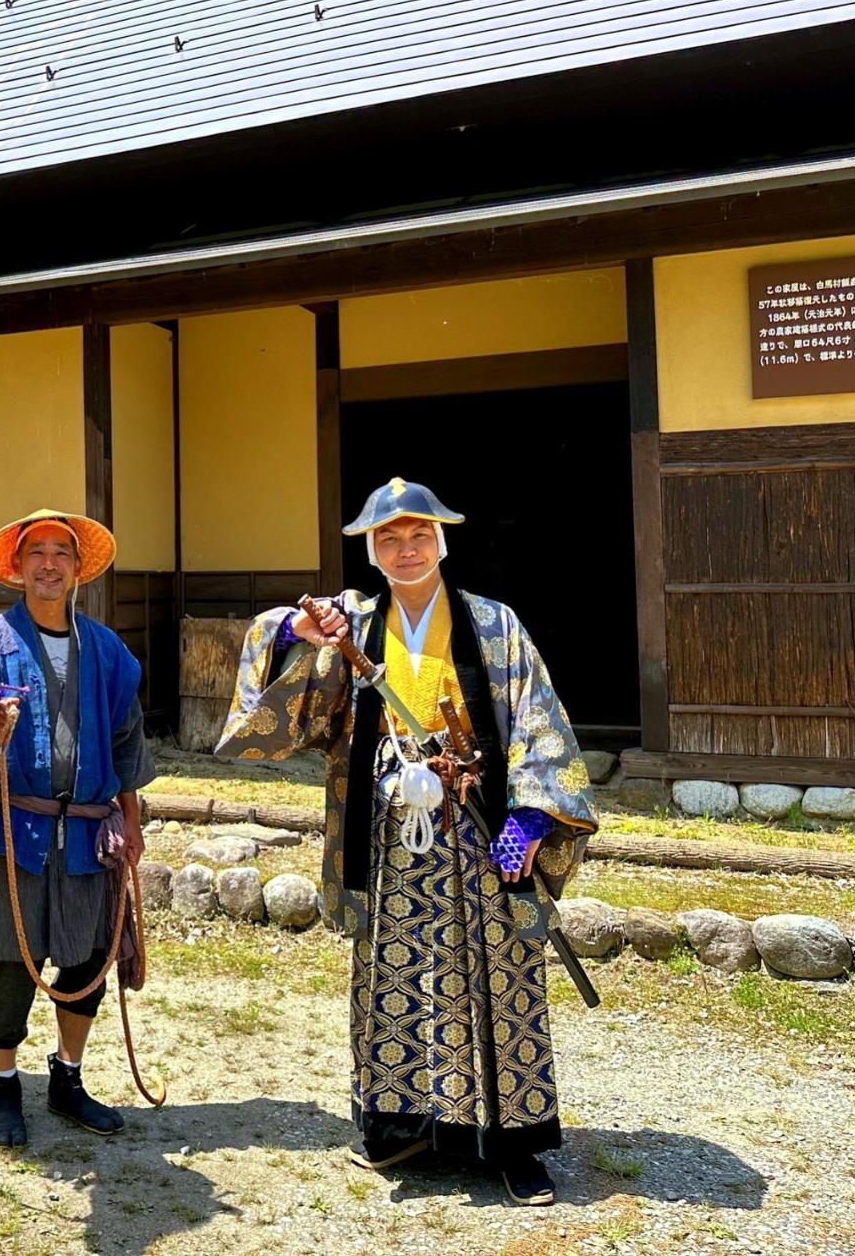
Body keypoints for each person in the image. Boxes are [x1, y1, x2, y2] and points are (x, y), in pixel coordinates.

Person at [217, 477, 597, 1206]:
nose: (405, 549)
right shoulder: (352, 625)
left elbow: (539, 719)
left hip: (479, 828)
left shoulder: (494, 626)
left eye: (418, 535)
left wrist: (534, 816)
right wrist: (299, 632)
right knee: (396, 972)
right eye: (388, 539)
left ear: (442, 540)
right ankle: (402, 1125)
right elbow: (273, 662)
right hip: (388, 833)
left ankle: (516, 1142)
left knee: (502, 972)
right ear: (371, 550)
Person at [0, 508, 150, 1149]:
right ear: (18, 568)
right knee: (11, 962)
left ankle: (67, 1080)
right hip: (14, 829)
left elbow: (128, 739)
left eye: (61, 554)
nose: (49, 563)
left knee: (86, 960)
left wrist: (131, 816)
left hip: (89, 835)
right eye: (36, 552)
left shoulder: (106, 648)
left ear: (78, 570)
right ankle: (4, 1085)